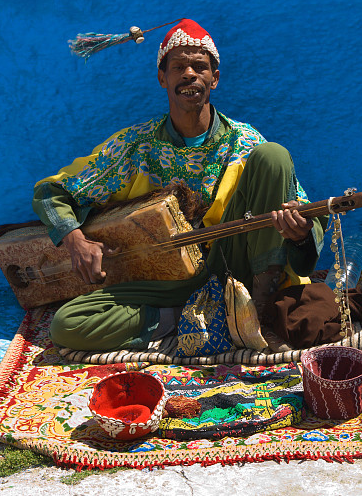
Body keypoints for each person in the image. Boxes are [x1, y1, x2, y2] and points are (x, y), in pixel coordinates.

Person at [32, 19, 327, 353]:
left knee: (274, 155)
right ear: (163, 78)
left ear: (214, 78)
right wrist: (74, 240)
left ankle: (254, 311)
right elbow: (51, 192)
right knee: (67, 325)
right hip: (160, 279)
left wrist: (300, 233)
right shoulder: (136, 146)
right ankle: (189, 317)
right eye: (178, 67)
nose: (189, 74)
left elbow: (305, 214)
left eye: (199, 67)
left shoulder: (243, 142)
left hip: (231, 270)